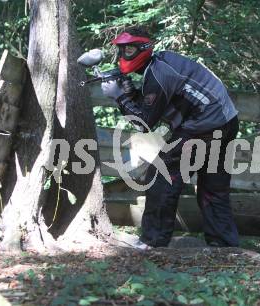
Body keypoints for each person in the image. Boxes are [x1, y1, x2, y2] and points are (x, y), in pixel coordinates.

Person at [101, 28, 239, 248]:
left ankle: (153, 242)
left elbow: (143, 123)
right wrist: (131, 94)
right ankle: (224, 246)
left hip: (204, 128)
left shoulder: (157, 75)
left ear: (144, 49)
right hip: (226, 122)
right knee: (213, 186)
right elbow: (157, 104)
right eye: (121, 50)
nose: (123, 56)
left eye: (128, 50)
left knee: (161, 175)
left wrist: (119, 97)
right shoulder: (160, 65)